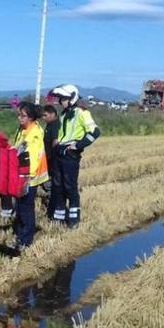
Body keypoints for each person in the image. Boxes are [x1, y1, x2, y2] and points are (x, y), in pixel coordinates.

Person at [49, 84, 101, 228]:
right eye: (60, 99)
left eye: (63, 98)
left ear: (72, 98)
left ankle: (73, 220)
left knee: (70, 187)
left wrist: (77, 146)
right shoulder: (65, 114)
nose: (60, 101)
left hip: (71, 156)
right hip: (60, 153)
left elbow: (95, 132)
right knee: (58, 187)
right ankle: (58, 218)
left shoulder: (82, 112)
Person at [11, 102, 48, 249]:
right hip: (21, 174)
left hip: (29, 177)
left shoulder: (34, 133)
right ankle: (21, 236)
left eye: (23, 115)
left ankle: (26, 240)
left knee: (26, 208)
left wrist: (27, 177)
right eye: (19, 115)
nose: (19, 118)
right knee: (20, 207)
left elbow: (32, 157)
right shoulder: (24, 129)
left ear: (31, 117)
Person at [41, 104, 62, 219]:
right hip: (48, 158)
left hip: (53, 159)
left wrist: (51, 155)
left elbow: (55, 141)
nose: (43, 117)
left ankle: (54, 205)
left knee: (51, 182)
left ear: (53, 114)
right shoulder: (49, 125)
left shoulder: (55, 125)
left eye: (45, 115)